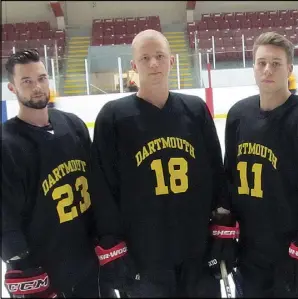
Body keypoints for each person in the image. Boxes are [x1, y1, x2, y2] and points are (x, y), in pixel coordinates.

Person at [90, 29, 234, 297]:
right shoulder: (113, 118)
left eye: (159, 56)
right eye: (145, 58)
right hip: (144, 257)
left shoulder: (195, 109)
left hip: (197, 251)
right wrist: (113, 245)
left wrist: (222, 231)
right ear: (134, 66)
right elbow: (103, 189)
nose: (153, 63)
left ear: (172, 61)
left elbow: (216, 172)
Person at [223, 31, 298, 297]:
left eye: (276, 63)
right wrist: (226, 230)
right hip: (249, 251)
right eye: (261, 62)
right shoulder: (237, 115)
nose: (268, 69)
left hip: (295, 248)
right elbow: (229, 177)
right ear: (253, 67)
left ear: (289, 68)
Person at [1, 49, 116, 298]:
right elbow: (4, 215)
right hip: (46, 272)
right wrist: (21, 264)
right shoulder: (6, 143)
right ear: (12, 88)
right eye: (27, 81)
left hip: (90, 265)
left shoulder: (73, 125)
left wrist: (108, 236)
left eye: (42, 78)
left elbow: (96, 186)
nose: (38, 87)